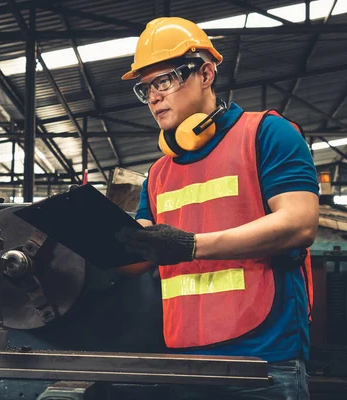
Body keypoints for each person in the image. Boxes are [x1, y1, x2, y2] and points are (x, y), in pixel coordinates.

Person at [116, 17, 319, 399]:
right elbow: (137, 254)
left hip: (262, 360)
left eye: (164, 81)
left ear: (206, 73)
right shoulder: (159, 172)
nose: (154, 97)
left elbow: (299, 223)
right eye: (146, 89)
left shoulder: (266, 134)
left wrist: (191, 246)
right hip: (183, 360)